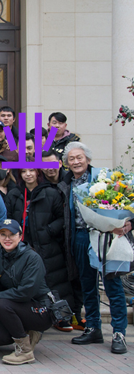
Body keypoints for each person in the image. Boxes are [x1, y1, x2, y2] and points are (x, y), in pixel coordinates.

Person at [59, 142, 129, 353]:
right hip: (80, 236)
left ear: (88, 159)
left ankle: (119, 332)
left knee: (112, 285)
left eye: (79, 157)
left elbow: (126, 202)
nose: (76, 162)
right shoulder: (66, 183)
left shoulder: (104, 178)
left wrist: (127, 224)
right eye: (71, 159)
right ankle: (93, 327)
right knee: (87, 285)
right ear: (67, 163)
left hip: (106, 236)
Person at [5, 166, 75, 331]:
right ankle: (32, 318)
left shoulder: (50, 193)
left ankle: (62, 316)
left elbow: (62, 218)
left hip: (47, 245)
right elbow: (8, 218)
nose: (28, 174)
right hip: (22, 246)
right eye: (23, 171)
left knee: (54, 281)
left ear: (38, 172)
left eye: (31, 170)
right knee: (25, 282)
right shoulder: (14, 194)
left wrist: (48, 231)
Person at [0, 219, 53, 365]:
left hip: (41, 309)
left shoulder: (32, 258)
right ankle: (28, 333)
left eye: (12, 234)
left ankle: (25, 352)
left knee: (2, 304)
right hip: (18, 307)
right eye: (3, 234)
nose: (7, 238)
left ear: (20, 236)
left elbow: (26, 292)